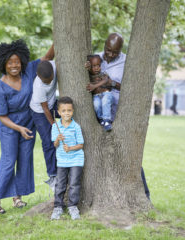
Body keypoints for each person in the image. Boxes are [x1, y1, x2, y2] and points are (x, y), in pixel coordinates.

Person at [0, 39, 54, 215]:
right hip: (10, 128)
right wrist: (18, 128)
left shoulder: (29, 72)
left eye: (17, 61)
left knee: (25, 160)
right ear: (3, 64)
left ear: (22, 62)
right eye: (10, 62)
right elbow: (2, 117)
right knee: (9, 161)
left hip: (28, 124)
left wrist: (58, 39)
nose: (14, 65)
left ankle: (17, 198)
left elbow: (48, 57)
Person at [85, 33, 150, 199]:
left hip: (116, 115)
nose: (110, 54)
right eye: (108, 50)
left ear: (120, 50)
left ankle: (144, 195)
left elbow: (130, 87)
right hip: (97, 115)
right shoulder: (96, 58)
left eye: (115, 52)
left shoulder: (126, 62)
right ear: (105, 45)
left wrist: (112, 83)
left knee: (127, 156)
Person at [50, 96, 84, 220]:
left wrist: (70, 148)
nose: (66, 113)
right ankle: (58, 206)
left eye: (69, 110)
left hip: (76, 159)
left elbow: (81, 144)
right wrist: (58, 140)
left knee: (74, 183)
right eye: (63, 111)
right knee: (60, 184)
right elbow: (54, 144)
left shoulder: (76, 127)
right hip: (62, 160)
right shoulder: (55, 127)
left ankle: (72, 206)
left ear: (73, 111)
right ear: (59, 113)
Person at [30, 60, 58, 190]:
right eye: (45, 81)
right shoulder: (38, 86)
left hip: (53, 103)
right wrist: (54, 125)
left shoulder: (55, 66)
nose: (48, 83)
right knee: (48, 142)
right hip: (40, 112)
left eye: (50, 80)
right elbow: (45, 109)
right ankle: (53, 176)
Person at [86, 54, 114, 131]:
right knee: (96, 104)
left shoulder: (102, 74)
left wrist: (94, 86)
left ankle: (107, 120)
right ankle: (101, 119)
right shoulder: (88, 75)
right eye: (93, 66)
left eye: (98, 65)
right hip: (96, 95)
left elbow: (106, 80)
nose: (96, 68)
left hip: (106, 94)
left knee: (105, 101)